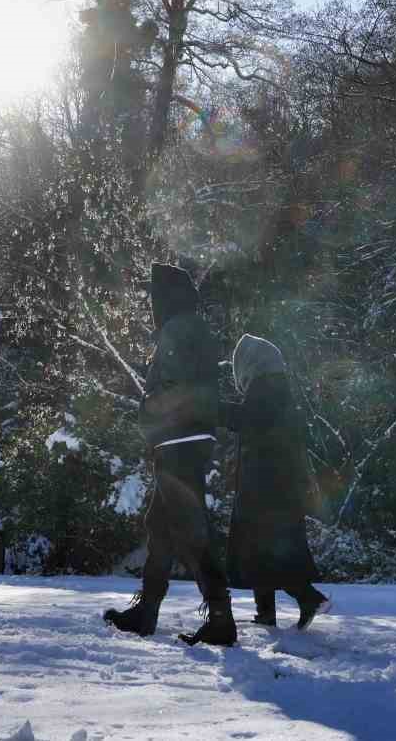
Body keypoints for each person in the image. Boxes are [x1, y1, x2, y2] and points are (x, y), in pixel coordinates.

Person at [103, 263, 238, 647]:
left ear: (166, 297)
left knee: (190, 529)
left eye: (153, 295)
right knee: (160, 527)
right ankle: (147, 610)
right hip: (182, 440)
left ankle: (221, 616)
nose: (150, 302)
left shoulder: (179, 330)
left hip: (179, 441)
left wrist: (148, 415)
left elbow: (180, 391)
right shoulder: (187, 329)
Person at [223, 334, 331, 630]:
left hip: (266, 489)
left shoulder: (265, 390)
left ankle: (309, 597)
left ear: (250, 365)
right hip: (276, 486)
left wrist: (211, 408)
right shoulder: (277, 389)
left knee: (266, 550)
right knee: (262, 552)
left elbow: (247, 419)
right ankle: (266, 613)